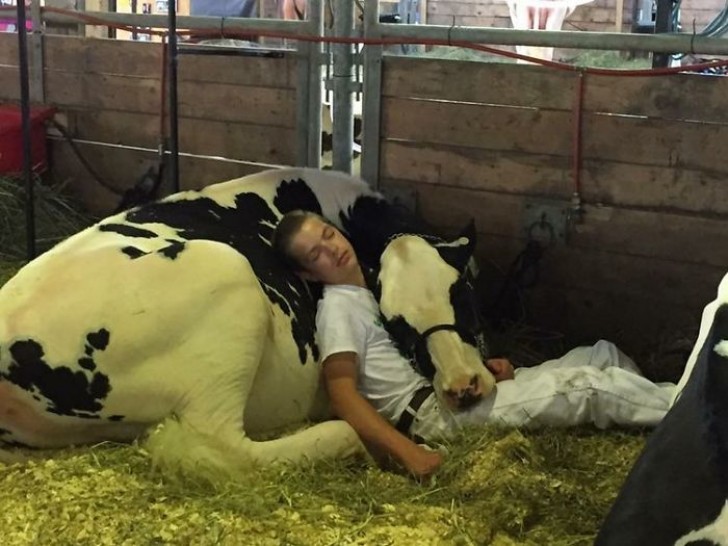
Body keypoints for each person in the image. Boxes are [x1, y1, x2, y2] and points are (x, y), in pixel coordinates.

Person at [272, 210, 676, 479]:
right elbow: (341, 393)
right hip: (432, 416)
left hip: (449, 389)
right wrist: (407, 454)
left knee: (601, 352)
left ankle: (651, 430)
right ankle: (692, 411)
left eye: (328, 234)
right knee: (589, 387)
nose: (333, 249)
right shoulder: (338, 310)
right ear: (308, 274)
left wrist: (484, 368)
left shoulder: (378, 285)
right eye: (316, 254)